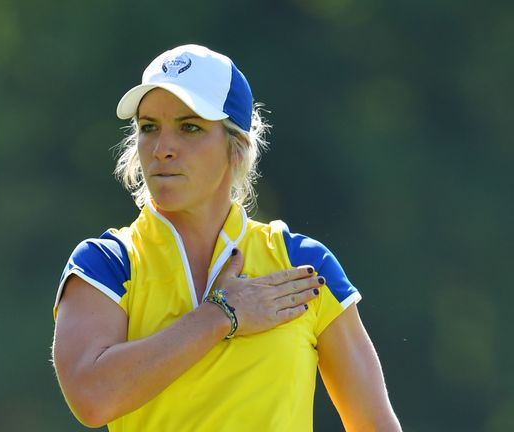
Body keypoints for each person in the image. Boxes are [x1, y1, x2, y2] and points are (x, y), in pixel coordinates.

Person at [51, 44, 401, 431]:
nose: (162, 149)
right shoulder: (106, 264)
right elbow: (92, 399)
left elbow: (374, 425)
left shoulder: (302, 266)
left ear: (237, 147)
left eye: (190, 127)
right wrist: (221, 314)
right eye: (149, 127)